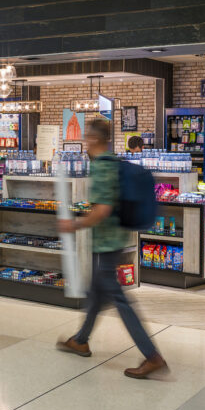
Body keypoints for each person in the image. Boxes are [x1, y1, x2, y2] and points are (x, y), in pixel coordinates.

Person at [56, 117, 167, 379]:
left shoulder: (102, 167)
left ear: (93, 139)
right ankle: (81, 340)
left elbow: (102, 210)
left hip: (106, 241)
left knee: (117, 297)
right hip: (114, 238)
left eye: (86, 138)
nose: (84, 143)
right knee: (97, 291)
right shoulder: (115, 162)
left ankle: (152, 355)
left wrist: (74, 226)